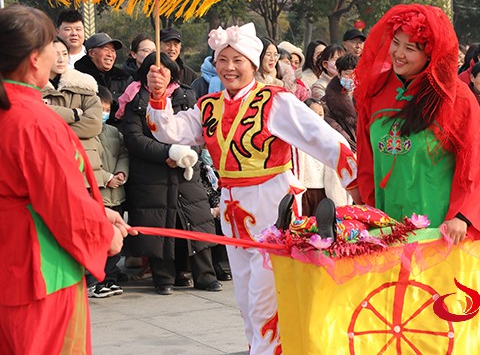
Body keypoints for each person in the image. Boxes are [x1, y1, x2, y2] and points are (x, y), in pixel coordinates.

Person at [145, 22, 359, 353]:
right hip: (231, 205)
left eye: (238, 60)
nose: (229, 67)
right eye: (222, 60)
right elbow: (168, 132)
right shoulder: (209, 106)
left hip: (271, 202)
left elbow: (322, 138)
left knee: (265, 297)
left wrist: (356, 182)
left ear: (254, 63)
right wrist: (159, 96)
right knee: (245, 298)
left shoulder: (275, 101)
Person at [0, 4, 127, 353]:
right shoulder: (34, 121)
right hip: (37, 267)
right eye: (51, 48)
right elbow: (63, 204)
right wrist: (104, 235)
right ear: (33, 59)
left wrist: (98, 213)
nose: (58, 55)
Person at [355, 4, 480, 242]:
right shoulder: (377, 90)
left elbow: (477, 159)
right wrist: (367, 209)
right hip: (385, 219)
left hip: (437, 225)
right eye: (395, 43)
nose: (398, 53)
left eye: (410, 48)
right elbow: (366, 157)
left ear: (431, 53)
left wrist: (462, 215)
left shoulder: (454, 97)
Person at [119, 52, 221, 296]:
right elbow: (134, 138)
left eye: (165, 69)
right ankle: (163, 278)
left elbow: (199, 131)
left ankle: (204, 275)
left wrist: (186, 154)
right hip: (151, 172)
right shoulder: (135, 98)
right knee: (159, 225)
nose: (160, 74)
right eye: (155, 70)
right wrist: (167, 153)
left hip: (186, 168)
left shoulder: (185, 94)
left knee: (196, 222)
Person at [42, 36, 105, 190]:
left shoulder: (84, 85)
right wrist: (74, 114)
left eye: (65, 54)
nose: (61, 59)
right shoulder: (31, 87)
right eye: (55, 54)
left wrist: (52, 127)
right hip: (47, 165)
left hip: (84, 167)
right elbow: (33, 118)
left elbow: (94, 124)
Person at [87, 86, 130, 298]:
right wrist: (106, 178)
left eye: (107, 109)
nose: (104, 113)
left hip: (116, 196)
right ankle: (93, 282)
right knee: (98, 243)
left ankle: (106, 279)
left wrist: (121, 173)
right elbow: (86, 163)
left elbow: (123, 153)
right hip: (98, 196)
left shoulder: (113, 132)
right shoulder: (83, 133)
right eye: (100, 109)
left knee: (117, 241)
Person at [74, 32, 132, 126]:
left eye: (113, 51)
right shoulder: (78, 78)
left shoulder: (124, 79)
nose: (110, 54)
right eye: (106, 49)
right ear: (92, 53)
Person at [323, 53, 358, 151]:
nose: (351, 78)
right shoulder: (327, 102)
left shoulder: (366, 96)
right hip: (345, 149)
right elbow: (335, 128)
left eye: (354, 74)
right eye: (347, 74)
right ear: (339, 74)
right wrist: (354, 148)